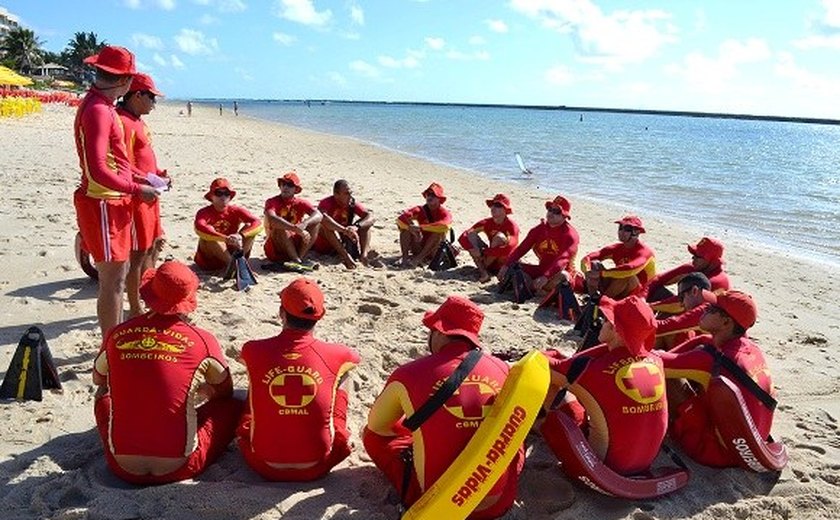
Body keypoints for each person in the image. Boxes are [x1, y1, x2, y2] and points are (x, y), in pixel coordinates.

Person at [363, 296, 523, 518]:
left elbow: (378, 426)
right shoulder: (503, 368)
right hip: (499, 502)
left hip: (441, 504)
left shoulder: (409, 373)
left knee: (372, 436)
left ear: (439, 331)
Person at [92, 260, 242, 484]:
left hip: (122, 467)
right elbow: (225, 391)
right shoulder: (202, 340)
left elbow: (99, 379)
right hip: (181, 466)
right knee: (234, 406)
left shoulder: (117, 334)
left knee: (103, 398)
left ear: (150, 294)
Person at [237, 278, 360, 480]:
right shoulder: (338, 353)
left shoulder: (252, 349)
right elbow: (355, 359)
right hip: (319, 464)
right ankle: (339, 425)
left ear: (281, 313)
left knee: (255, 376)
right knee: (344, 373)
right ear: (322, 315)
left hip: (262, 463)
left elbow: (247, 360)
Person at [73, 45, 159, 335]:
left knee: (118, 278)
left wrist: (145, 179)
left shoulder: (104, 107)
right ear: (124, 82)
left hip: (112, 201)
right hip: (103, 203)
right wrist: (137, 189)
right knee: (112, 281)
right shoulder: (98, 110)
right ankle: (110, 345)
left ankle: (116, 336)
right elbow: (98, 169)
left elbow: (117, 163)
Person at [541, 295, 668, 476]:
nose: (600, 321)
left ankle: (538, 426)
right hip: (646, 461)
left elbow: (545, 366)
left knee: (555, 389)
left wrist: (551, 352)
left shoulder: (593, 369)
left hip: (604, 464)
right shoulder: (656, 361)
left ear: (616, 328)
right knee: (595, 399)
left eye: (605, 319)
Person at [656, 290, 775, 468]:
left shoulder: (712, 360)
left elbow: (653, 363)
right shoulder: (750, 347)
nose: (704, 309)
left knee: (663, 377)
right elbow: (704, 340)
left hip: (717, 451)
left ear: (726, 322)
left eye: (711, 308)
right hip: (752, 443)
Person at [116, 72, 169, 318]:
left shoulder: (138, 121)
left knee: (152, 246)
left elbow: (143, 157)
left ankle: (148, 297)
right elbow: (121, 164)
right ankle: (135, 306)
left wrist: (159, 174)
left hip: (150, 195)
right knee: (137, 254)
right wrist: (148, 179)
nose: (154, 104)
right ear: (137, 95)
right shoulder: (123, 122)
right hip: (138, 198)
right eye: (151, 98)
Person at [497, 195, 578, 296]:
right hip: (541, 270)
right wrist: (506, 265)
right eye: (550, 209)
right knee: (513, 267)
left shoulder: (570, 235)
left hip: (559, 274)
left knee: (563, 276)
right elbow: (521, 249)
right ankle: (535, 289)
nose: (551, 213)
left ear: (564, 216)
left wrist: (546, 277)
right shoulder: (539, 229)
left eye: (556, 211)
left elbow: (563, 260)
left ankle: (532, 288)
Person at [577, 215, 656, 299]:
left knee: (627, 276)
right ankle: (592, 298)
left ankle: (602, 301)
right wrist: (587, 270)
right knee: (594, 264)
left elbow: (630, 269)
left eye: (627, 229)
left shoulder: (644, 252)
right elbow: (588, 258)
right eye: (620, 228)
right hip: (618, 288)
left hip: (639, 294)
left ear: (636, 232)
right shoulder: (617, 248)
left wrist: (601, 273)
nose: (621, 231)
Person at [194, 178, 263, 272]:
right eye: (219, 193)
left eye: (226, 194)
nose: (223, 197)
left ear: (230, 196)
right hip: (210, 260)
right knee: (210, 235)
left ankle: (238, 262)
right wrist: (225, 238)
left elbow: (257, 223)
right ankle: (235, 266)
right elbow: (200, 227)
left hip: (233, 248)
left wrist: (240, 235)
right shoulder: (204, 212)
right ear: (211, 196)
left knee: (249, 227)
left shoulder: (236, 210)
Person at [647, 237, 730, 313]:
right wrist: (641, 298)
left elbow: (679, 304)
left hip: (703, 321)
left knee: (676, 309)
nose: (693, 258)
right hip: (690, 310)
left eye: (698, 256)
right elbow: (658, 279)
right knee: (656, 291)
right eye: (694, 254)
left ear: (712, 261)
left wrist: (649, 306)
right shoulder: (695, 267)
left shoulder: (717, 281)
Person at [264, 172, 323, 269]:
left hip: (295, 242)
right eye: (283, 184)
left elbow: (318, 214)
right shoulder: (272, 201)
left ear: (296, 189)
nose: (285, 187)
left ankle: (299, 257)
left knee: (315, 224)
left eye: (290, 185)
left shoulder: (300, 202)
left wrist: (304, 224)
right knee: (280, 226)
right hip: (277, 246)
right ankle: (296, 260)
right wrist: (295, 228)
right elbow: (272, 219)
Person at [313, 179, 376, 269]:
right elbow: (324, 219)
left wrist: (356, 227)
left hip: (344, 240)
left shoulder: (351, 204)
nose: (350, 196)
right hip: (326, 244)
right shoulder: (326, 203)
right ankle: (346, 256)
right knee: (325, 226)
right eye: (346, 193)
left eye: (350, 193)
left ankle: (364, 255)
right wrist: (344, 230)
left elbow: (370, 217)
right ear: (336, 194)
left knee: (366, 225)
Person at [457, 193, 520, 283]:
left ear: (505, 210)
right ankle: (484, 273)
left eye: (498, 205)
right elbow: (464, 236)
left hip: (503, 263)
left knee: (499, 237)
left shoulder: (511, 226)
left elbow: (510, 247)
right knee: (471, 236)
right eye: (493, 205)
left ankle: (482, 268)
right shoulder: (486, 222)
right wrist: (472, 248)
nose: (493, 208)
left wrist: (485, 252)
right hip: (489, 259)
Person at [395, 182, 453, 268]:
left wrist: (420, 228)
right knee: (406, 229)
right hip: (419, 244)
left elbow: (444, 226)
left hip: (434, 250)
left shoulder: (444, 213)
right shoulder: (420, 209)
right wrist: (411, 228)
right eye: (428, 194)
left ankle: (418, 259)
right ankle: (405, 257)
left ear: (439, 199)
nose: (429, 196)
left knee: (438, 233)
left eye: (433, 195)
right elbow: (400, 219)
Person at [654, 272, 714, 349]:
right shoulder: (712, 304)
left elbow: (666, 326)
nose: (681, 304)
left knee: (669, 329)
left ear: (694, 291)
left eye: (682, 297)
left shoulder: (704, 311)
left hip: (718, 358)